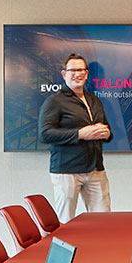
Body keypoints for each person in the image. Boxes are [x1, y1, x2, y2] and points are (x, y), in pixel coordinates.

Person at [38, 52, 113, 221]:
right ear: (64, 74)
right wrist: (80, 134)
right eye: (73, 70)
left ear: (87, 74)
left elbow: (106, 130)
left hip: (95, 169)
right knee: (66, 222)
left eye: (81, 70)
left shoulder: (95, 101)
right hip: (67, 170)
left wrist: (106, 134)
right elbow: (45, 134)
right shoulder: (54, 101)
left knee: (105, 221)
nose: (78, 74)